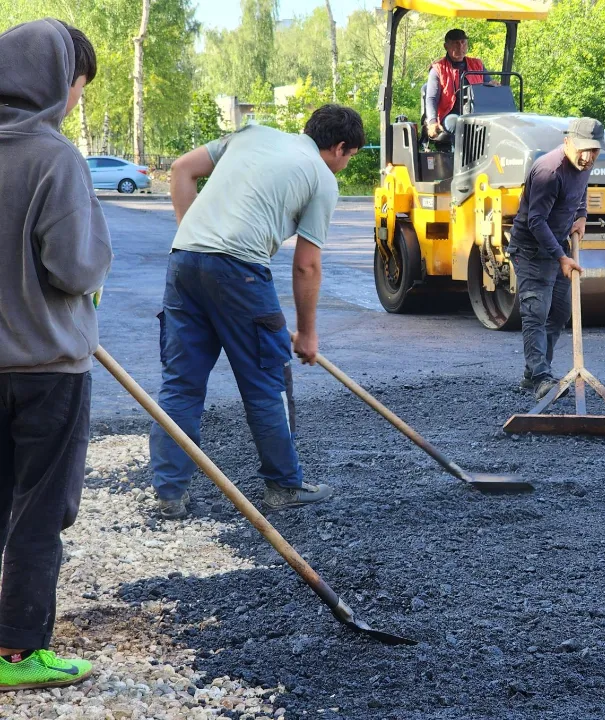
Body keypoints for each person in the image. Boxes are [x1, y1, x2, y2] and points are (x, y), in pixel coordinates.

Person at [149, 105, 364, 520]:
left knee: (181, 384)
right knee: (267, 384)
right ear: (339, 148)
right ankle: (284, 485)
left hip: (184, 261)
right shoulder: (321, 178)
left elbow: (181, 170)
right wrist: (307, 334)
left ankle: (169, 495)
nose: (345, 163)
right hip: (240, 271)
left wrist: (191, 234)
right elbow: (306, 264)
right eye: (350, 156)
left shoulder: (251, 134)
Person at [0, 18, 111, 689]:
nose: (75, 100)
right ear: (52, 81)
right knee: (39, 510)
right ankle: (16, 652)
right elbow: (74, 267)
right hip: (46, 368)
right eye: (77, 87)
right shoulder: (53, 157)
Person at [510, 118, 605, 400]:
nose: (589, 157)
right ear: (568, 143)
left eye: (595, 151)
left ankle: (534, 374)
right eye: (584, 149)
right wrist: (562, 257)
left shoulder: (583, 165)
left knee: (560, 313)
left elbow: (581, 191)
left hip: (557, 247)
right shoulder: (549, 172)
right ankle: (542, 379)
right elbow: (536, 221)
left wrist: (582, 215)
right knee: (536, 313)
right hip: (531, 250)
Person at [424, 28, 490, 140]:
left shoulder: (477, 64)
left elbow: (489, 87)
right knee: (458, 123)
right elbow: (431, 98)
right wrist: (432, 121)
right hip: (450, 114)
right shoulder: (437, 69)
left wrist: (493, 85)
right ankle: (461, 156)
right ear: (446, 46)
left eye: (463, 42)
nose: (460, 47)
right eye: (455, 43)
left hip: (476, 112)